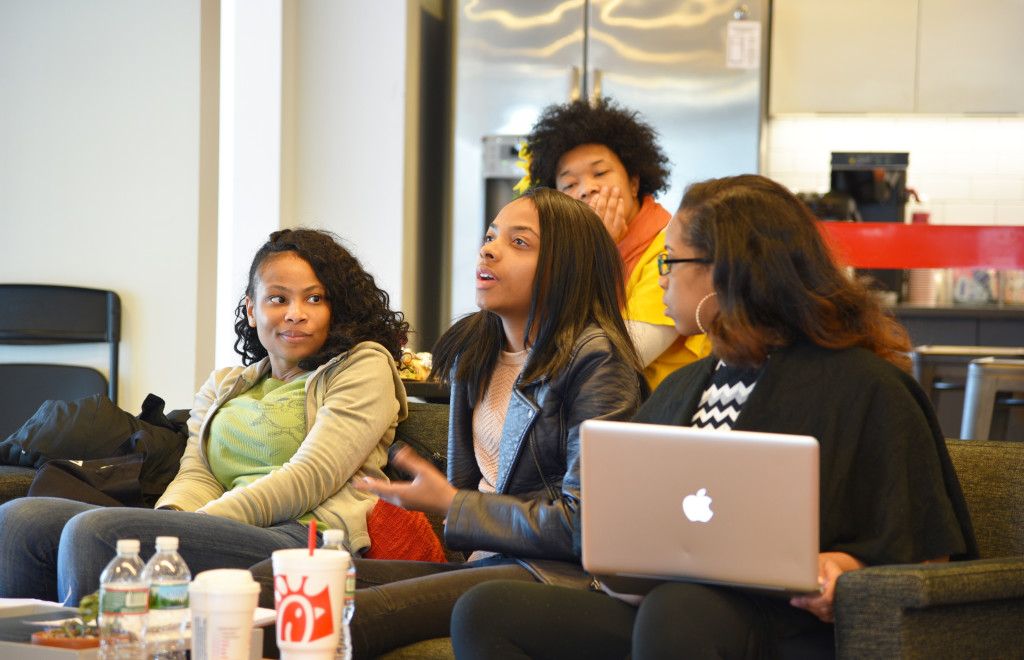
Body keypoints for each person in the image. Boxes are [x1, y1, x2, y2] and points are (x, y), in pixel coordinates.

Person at [449, 175, 978, 660]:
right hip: (668, 607)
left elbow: (931, 561)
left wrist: (848, 571)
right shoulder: (684, 387)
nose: (658, 281)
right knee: (487, 611)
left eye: (670, 261)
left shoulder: (869, 389)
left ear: (724, 272)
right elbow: (611, 520)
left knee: (680, 612)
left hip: (787, 626)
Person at [249, 188, 647, 659]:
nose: (489, 249)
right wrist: (444, 501)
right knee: (272, 582)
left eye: (519, 243)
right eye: (490, 236)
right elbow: (462, 494)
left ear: (566, 268)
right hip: (488, 565)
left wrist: (453, 504)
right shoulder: (473, 351)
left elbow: (585, 527)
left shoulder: (597, 360)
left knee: (348, 612)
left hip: (557, 575)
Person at [0, 228, 410, 604]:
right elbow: (198, 475)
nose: (295, 313)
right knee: (20, 519)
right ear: (252, 310)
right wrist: (170, 523)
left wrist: (185, 529)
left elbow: (309, 477)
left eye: (314, 298)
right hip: (219, 526)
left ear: (336, 309)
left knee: (95, 532)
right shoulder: (226, 384)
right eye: (278, 298)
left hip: (307, 537)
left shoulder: (362, 367)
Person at [523, 98, 708, 390]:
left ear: (634, 182)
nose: (587, 189)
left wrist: (597, 253)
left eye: (600, 173)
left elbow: (610, 361)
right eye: (569, 184)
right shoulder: (564, 258)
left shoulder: (670, 251)